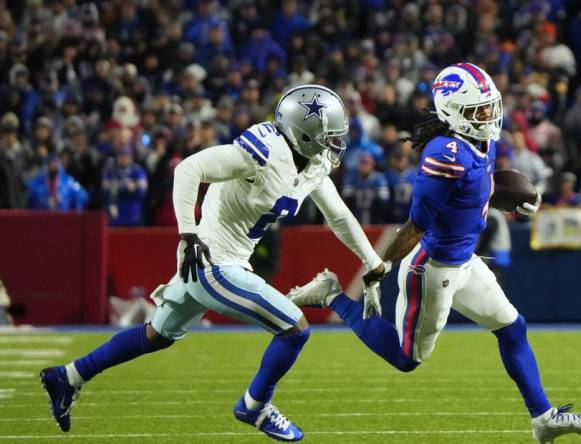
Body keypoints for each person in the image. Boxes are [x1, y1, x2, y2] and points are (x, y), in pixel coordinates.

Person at [40, 85, 387, 442]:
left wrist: (373, 265)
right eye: (329, 136)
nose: (334, 144)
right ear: (304, 133)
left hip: (224, 261)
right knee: (295, 328)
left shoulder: (312, 163)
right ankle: (255, 405)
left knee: (155, 336)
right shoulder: (264, 152)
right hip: (212, 261)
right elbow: (189, 169)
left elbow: (340, 217)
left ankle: (67, 376)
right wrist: (186, 233)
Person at [290, 63, 581, 444]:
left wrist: (505, 198)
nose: (489, 116)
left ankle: (543, 418)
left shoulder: (478, 142)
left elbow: (474, 189)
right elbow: (416, 225)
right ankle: (332, 293)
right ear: (454, 112)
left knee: (513, 328)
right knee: (407, 360)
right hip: (433, 269)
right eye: (479, 110)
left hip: (465, 260)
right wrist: (379, 265)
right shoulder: (446, 154)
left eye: (490, 107)